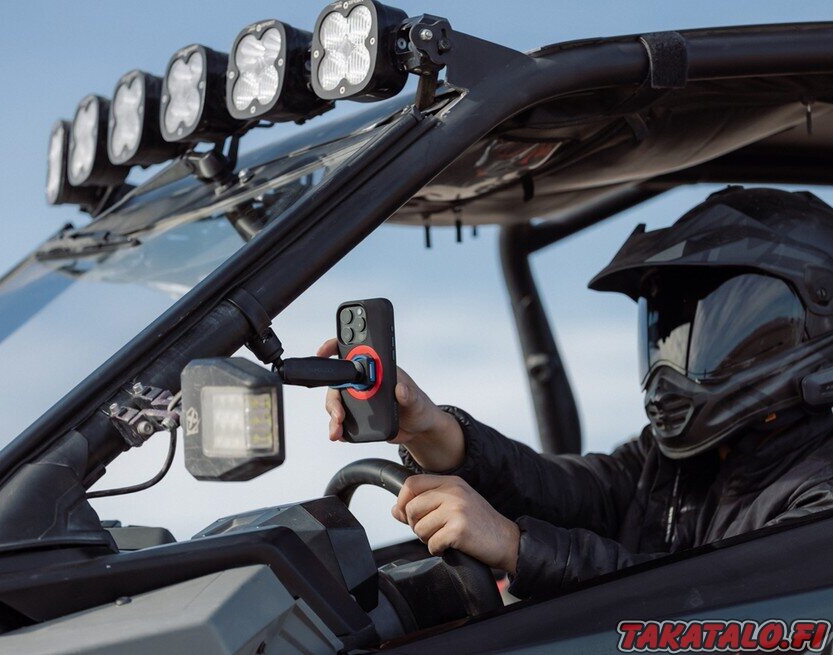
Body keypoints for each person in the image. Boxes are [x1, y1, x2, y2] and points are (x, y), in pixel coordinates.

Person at [320, 186, 833, 598]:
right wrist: (431, 429)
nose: (670, 367)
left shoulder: (822, 496)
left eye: (713, 330)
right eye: (667, 334)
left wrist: (516, 546)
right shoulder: (676, 461)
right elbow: (567, 492)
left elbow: (712, 606)